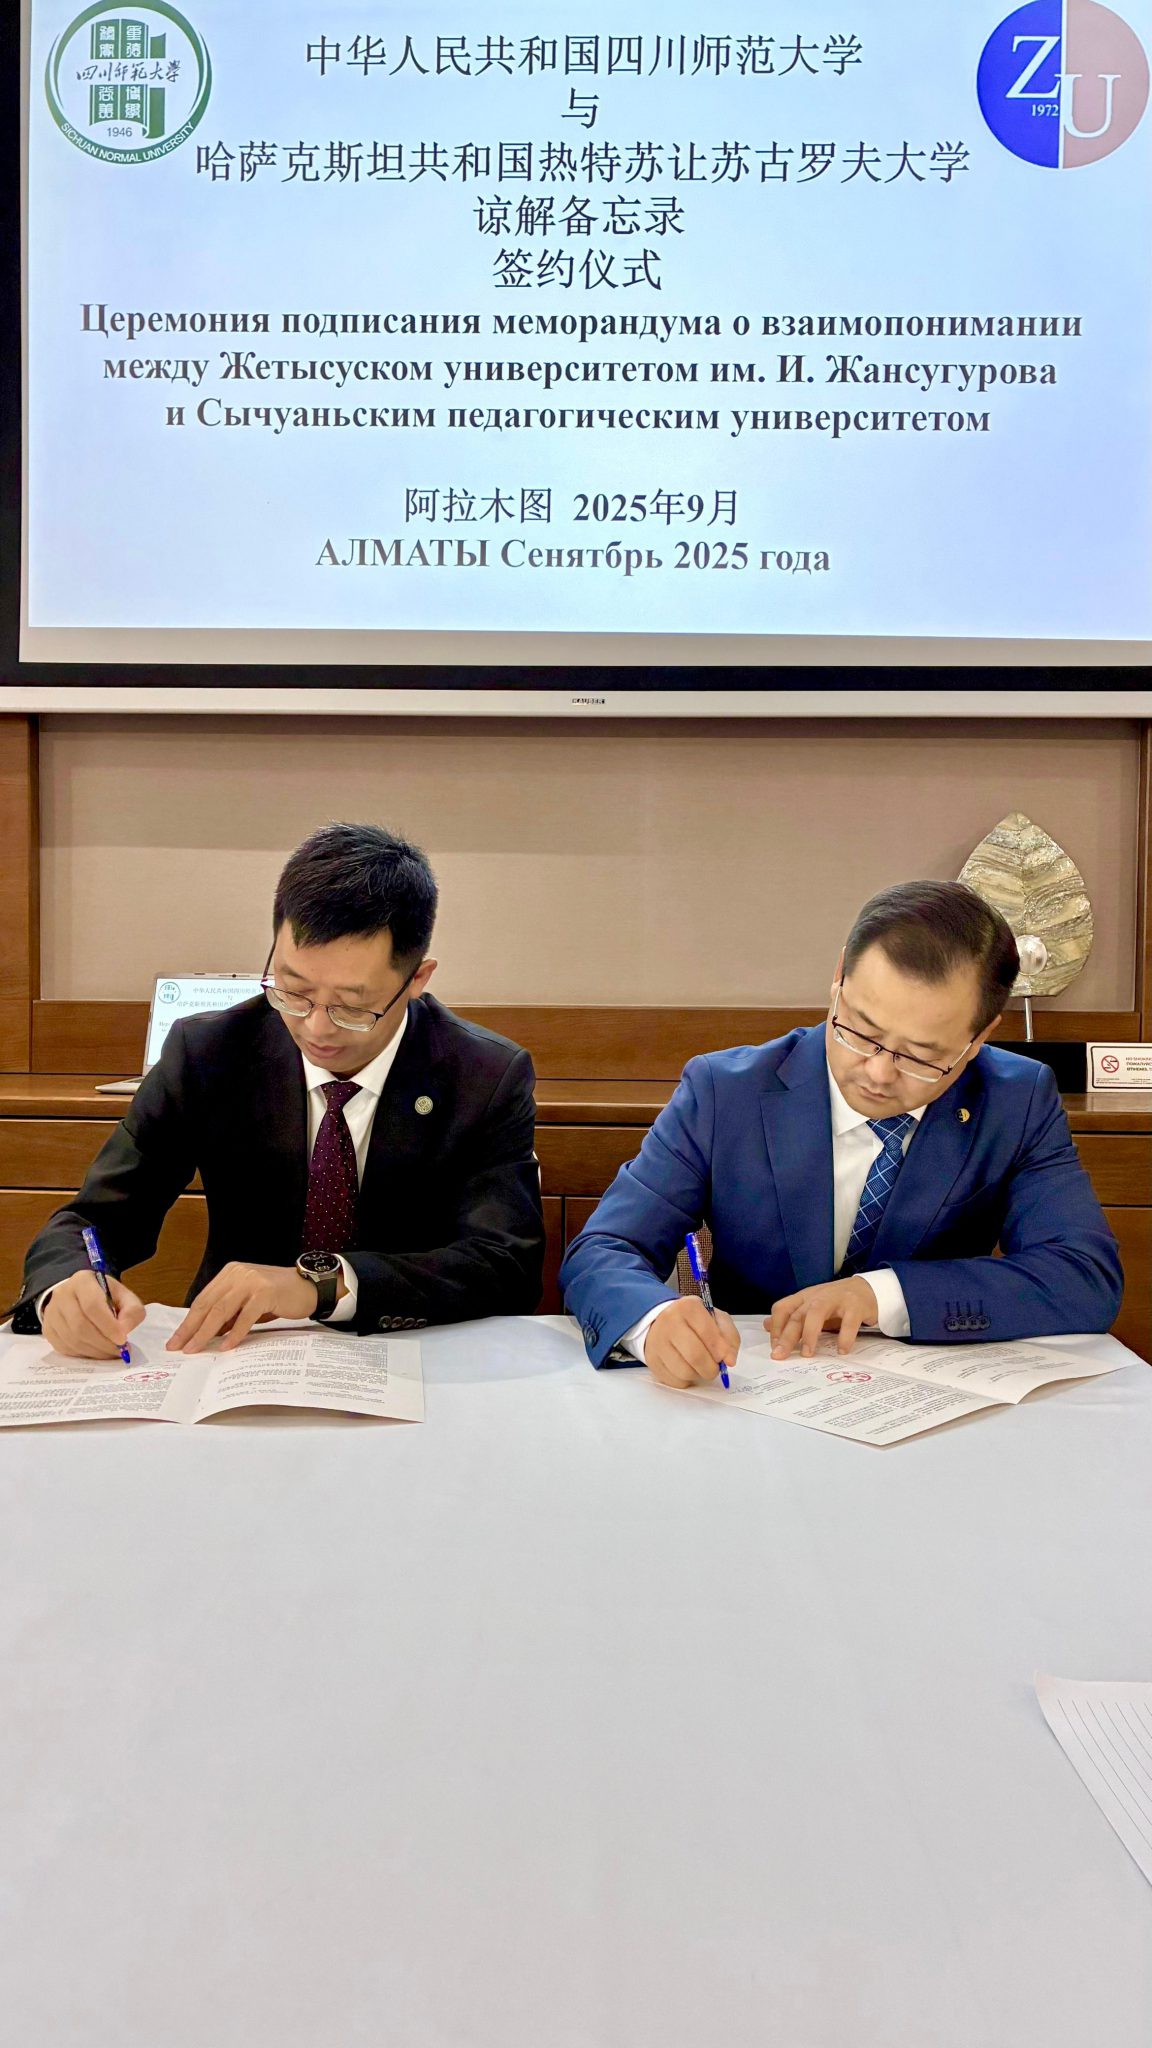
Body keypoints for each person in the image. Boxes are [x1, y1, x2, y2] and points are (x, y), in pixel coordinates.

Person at [10, 823, 545, 1357]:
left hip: (410, 1354)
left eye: (352, 1006)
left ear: (417, 980)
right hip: (234, 1352)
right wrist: (67, 1285)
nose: (316, 1028)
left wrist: (322, 1285)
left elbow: (504, 1264)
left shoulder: (484, 1076)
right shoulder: (209, 1053)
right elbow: (94, 1219)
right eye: (293, 990)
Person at [560, 880, 1123, 1387]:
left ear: (979, 1038)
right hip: (755, 1387)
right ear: (838, 981)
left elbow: (1084, 1277)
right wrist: (654, 1320)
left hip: (928, 1400)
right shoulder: (726, 1091)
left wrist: (882, 1294)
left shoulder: (1015, 1101)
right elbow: (605, 1248)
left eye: (921, 1057)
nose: (877, 1073)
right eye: (860, 1031)